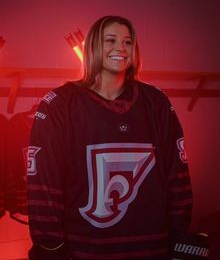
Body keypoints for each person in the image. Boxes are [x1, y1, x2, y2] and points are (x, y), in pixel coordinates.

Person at [27, 15, 193, 260]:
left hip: (152, 247)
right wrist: (51, 246)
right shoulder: (59, 104)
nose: (120, 48)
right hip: (84, 249)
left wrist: (180, 236)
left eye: (128, 42)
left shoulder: (155, 103)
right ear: (93, 46)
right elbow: (44, 184)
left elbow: (177, 175)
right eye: (111, 40)